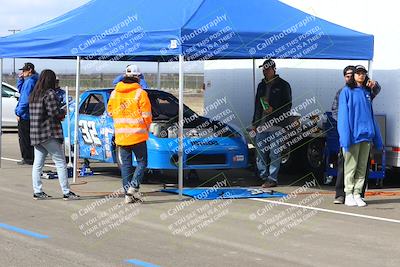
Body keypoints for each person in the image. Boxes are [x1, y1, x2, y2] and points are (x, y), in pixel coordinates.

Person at [332, 65, 381, 204]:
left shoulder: (367, 91)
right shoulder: (345, 92)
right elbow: (341, 115)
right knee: (350, 166)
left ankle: (358, 193)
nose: (361, 75)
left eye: (363, 73)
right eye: (358, 73)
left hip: (366, 135)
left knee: (361, 167)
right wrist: (345, 135)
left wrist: (374, 84)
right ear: (352, 76)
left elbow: (376, 93)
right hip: (353, 136)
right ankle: (347, 194)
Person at [29, 69, 79, 200]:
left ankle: (37, 191)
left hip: (36, 134)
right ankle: (66, 192)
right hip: (49, 133)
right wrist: (62, 112)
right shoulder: (50, 94)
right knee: (61, 163)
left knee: (38, 164)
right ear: (51, 81)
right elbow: (54, 113)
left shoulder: (34, 94)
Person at [107, 64, 152, 204]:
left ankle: (128, 195)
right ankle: (134, 187)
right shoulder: (141, 93)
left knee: (126, 165)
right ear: (138, 77)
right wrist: (146, 127)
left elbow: (110, 112)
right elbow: (147, 115)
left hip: (121, 136)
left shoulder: (115, 93)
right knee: (142, 162)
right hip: (137, 134)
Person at [252, 59, 292, 188]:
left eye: (267, 69)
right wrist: (255, 122)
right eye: (263, 69)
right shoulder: (261, 85)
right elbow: (257, 105)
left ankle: (272, 179)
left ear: (274, 69)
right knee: (260, 153)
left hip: (277, 124)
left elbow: (288, 106)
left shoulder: (283, 85)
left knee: (275, 153)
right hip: (262, 125)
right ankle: (263, 176)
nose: (265, 71)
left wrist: (273, 110)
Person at [16, 62, 38, 165]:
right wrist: (20, 80)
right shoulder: (32, 80)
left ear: (30, 71)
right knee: (30, 137)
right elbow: (21, 90)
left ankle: (28, 158)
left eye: (24, 71)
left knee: (24, 137)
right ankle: (31, 156)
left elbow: (24, 99)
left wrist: (18, 112)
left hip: (26, 114)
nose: (22, 72)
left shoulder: (30, 82)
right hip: (32, 113)